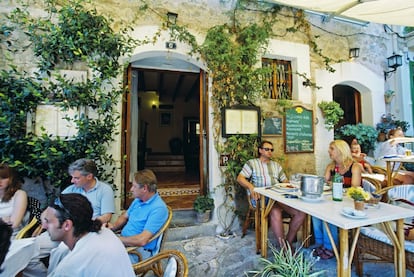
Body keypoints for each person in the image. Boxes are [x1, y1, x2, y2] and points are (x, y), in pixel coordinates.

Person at [24, 158, 115, 277]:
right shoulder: (71, 189)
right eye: (72, 177)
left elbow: (107, 215)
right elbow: (52, 208)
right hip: (59, 228)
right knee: (26, 252)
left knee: (61, 251)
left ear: (89, 176)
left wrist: (90, 224)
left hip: (84, 233)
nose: (72, 181)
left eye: (76, 178)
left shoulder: (104, 190)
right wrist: (44, 221)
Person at [42, 193, 135, 277]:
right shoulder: (104, 232)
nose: (44, 226)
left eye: (48, 221)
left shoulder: (68, 269)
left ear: (67, 225)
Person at [236, 140, 306, 248]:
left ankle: (288, 241)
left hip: (278, 197)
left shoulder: (276, 166)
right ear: (260, 150)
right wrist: (251, 187)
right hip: (261, 198)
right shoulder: (252, 163)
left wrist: (293, 186)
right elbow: (240, 178)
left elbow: (285, 181)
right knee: (275, 211)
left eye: (271, 150)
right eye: (267, 149)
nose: (270, 152)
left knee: (301, 212)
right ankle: (284, 248)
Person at [312, 140, 363, 259]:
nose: (329, 151)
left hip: (350, 202)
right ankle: (320, 243)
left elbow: (355, 188)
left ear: (341, 150)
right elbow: (324, 183)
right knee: (315, 212)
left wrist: (334, 184)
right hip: (333, 199)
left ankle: (330, 247)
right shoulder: (331, 166)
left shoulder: (355, 166)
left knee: (329, 214)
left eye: (331, 149)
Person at [107, 169, 168, 262]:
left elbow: (142, 240)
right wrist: (112, 228)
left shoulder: (158, 209)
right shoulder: (138, 200)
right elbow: (125, 216)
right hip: (124, 243)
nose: (131, 189)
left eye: (134, 186)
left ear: (144, 188)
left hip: (138, 251)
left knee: (101, 261)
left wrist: (117, 240)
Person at [0, 163, 28, 238]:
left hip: (10, 237)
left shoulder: (19, 194)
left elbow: (14, 224)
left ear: (11, 179)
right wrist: (3, 220)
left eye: (3, 178)